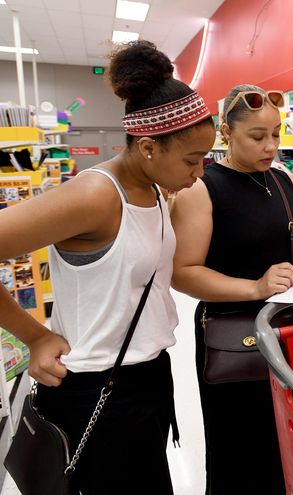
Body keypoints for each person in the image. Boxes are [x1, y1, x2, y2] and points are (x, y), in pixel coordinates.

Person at [0, 40, 215, 493]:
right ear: (151, 148)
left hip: (147, 376)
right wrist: (35, 336)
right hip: (96, 389)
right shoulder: (96, 195)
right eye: (193, 160)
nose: (200, 173)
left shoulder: (156, 190)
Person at [170, 84, 293, 493]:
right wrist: (255, 286)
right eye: (257, 137)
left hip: (292, 329)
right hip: (234, 336)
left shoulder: (282, 181)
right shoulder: (201, 188)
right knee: (241, 447)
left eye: (276, 134)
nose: (270, 147)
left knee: (292, 436)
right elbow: (183, 272)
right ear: (226, 132)